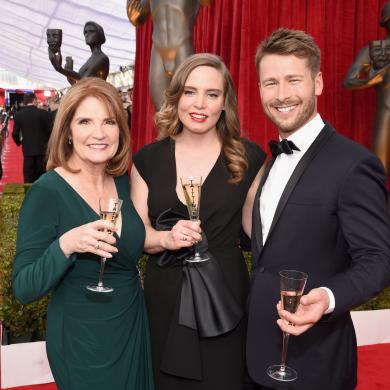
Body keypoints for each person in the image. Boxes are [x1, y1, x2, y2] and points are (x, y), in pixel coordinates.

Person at [246, 28, 390, 390]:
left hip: (316, 362)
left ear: (318, 83)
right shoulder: (271, 158)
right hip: (256, 351)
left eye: (294, 80)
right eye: (270, 83)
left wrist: (326, 298)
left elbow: (378, 259)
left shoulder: (354, 164)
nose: (281, 95)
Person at [131, 53, 266, 390]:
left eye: (212, 94)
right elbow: (137, 234)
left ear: (225, 102)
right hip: (165, 294)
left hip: (226, 297)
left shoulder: (249, 158)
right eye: (190, 92)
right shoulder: (147, 159)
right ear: (175, 96)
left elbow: (259, 229)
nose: (200, 104)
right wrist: (164, 239)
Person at [12, 78, 154, 390]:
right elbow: (23, 287)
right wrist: (65, 245)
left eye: (109, 121)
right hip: (81, 341)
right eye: (85, 121)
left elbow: (136, 244)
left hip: (130, 326)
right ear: (68, 132)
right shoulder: (47, 191)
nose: (99, 133)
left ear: (120, 129)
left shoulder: (123, 183)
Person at [127, 0, 213, 110]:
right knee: (162, 112)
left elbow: (207, 2)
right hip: (158, 52)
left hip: (182, 49)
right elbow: (136, 18)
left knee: (186, 107)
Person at [343, 1, 390, 173]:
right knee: (380, 169)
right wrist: (372, 79)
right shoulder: (371, 51)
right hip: (386, 114)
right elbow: (348, 81)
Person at [12, 92, 50, 183]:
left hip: (28, 151)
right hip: (43, 151)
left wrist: (19, 143)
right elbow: (50, 131)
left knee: (28, 179)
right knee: (43, 178)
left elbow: (14, 134)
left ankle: (29, 196)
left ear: (25, 102)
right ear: (34, 100)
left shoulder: (19, 115)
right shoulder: (44, 113)